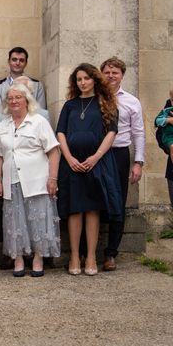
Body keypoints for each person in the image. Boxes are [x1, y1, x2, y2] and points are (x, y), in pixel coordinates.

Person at [56, 63, 122, 276]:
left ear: (95, 79)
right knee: (75, 209)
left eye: (86, 78)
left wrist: (95, 157)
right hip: (72, 164)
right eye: (78, 79)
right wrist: (69, 157)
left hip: (97, 163)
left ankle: (91, 256)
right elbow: (61, 133)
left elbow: (111, 133)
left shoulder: (107, 103)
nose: (82, 82)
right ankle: (75, 256)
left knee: (92, 209)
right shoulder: (70, 106)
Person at [0, 83, 61, 278]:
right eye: (11, 98)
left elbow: (54, 151)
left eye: (18, 97)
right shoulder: (4, 124)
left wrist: (53, 178)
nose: (14, 101)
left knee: (38, 219)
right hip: (11, 180)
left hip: (36, 179)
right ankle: (19, 258)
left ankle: (38, 258)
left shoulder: (38, 121)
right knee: (15, 220)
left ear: (26, 100)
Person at [101, 57, 146, 271]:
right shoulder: (94, 98)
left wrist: (138, 162)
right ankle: (87, 251)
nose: (111, 76)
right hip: (96, 155)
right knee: (94, 201)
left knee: (118, 203)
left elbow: (138, 133)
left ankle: (111, 253)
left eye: (115, 72)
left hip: (119, 155)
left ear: (122, 75)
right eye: (107, 72)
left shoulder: (131, 101)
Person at [0, 47, 47, 122]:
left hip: (31, 128)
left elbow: (40, 110)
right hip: (7, 127)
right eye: (14, 59)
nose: (17, 63)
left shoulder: (37, 85)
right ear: (9, 61)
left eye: (21, 60)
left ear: (26, 63)